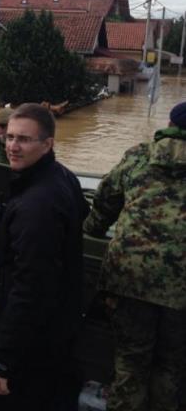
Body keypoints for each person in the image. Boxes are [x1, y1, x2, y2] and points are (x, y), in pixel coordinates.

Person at [83, 101, 186, 411]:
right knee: (171, 363)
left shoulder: (139, 156)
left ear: (170, 122)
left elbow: (105, 199)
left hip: (129, 278)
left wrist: (93, 228)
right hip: (180, 289)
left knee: (130, 359)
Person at [0, 103, 89, 410]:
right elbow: (83, 213)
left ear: (48, 144)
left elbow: (29, 288)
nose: (13, 147)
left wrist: (3, 358)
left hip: (32, 342)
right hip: (58, 327)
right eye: (10, 137)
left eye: (24, 140)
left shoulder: (36, 206)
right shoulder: (62, 177)